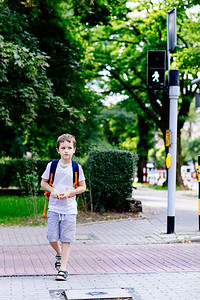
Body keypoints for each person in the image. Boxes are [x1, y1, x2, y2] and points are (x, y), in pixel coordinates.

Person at [41, 133, 86, 281]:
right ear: (58, 150)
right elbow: (43, 182)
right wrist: (53, 191)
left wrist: (71, 192)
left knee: (66, 239)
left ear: (74, 150)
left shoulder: (76, 167)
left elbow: (82, 187)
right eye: (63, 148)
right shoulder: (52, 165)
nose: (66, 150)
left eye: (69, 147)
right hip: (54, 208)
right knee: (51, 237)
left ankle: (63, 269)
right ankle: (58, 253)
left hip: (69, 209)